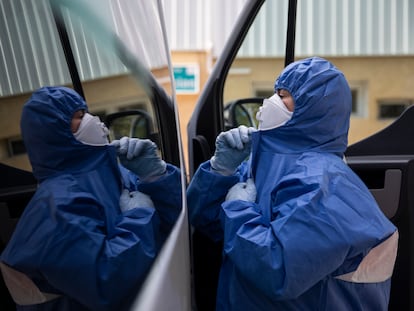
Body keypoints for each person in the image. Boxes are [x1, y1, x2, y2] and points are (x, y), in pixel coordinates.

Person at [187, 57, 398, 310]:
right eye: (275, 92)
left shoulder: (324, 183)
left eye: (284, 95)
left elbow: (279, 269)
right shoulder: (265, 161)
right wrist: (220, 171)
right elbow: (208, 222)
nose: (272, 101)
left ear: (315, 107)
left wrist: (239, 210)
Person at [0, 86, 182, 310]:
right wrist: (139, 218)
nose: (92, 120)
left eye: (86, 112)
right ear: (53, 133)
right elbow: (106, 280)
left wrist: (156, 177)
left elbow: (175, 224)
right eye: (78, 117)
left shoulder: (111, 170)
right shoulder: (54, 207)